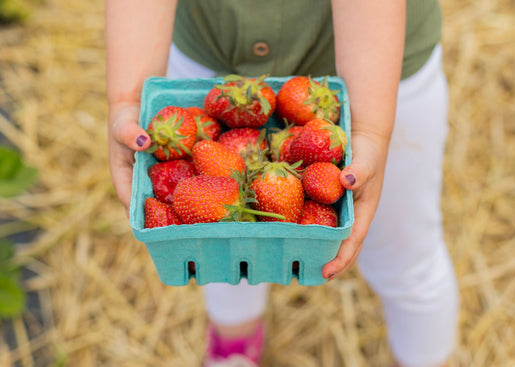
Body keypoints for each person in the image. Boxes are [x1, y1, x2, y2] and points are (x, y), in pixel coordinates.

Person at [105, 1, 459, 366]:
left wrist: (370, 128)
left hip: (379, 72)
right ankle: (234, 347)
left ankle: (425, 357)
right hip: (209, 56)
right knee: (221, 245)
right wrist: (126, 100)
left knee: (403, 251)